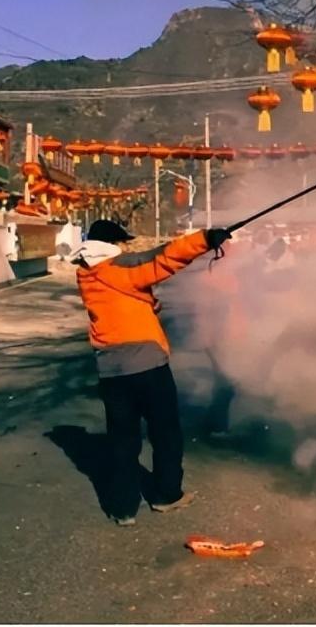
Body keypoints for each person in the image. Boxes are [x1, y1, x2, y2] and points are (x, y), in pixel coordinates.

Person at [68, 220, 231, 526]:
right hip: (147, 365)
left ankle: (123, 508)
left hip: (111, 369)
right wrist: (205, 238)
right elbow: (162, 258)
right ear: (112, 244)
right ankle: (166, 495)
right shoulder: (118, 267)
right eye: (123, 243)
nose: (126, 248)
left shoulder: (87, 273)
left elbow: (123, 299)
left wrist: (148, 304)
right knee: (165, 432)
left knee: (122, 440)